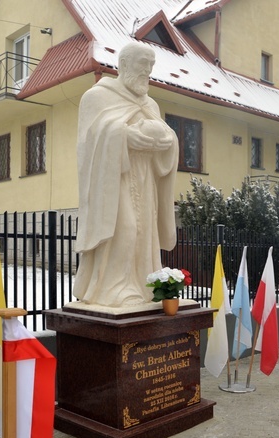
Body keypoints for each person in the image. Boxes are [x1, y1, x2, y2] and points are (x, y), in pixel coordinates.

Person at [74, 41, 179, 308]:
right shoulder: (96, 97)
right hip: (113, 178)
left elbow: (164, 136)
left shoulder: (150, 104)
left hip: (145, 179)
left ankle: (144, 286)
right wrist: (124, 137)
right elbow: (87, 144)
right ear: (123, 65)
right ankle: (113, 288)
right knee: (126, 229)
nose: (148, 71)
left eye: (151, 66)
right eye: (143, 64)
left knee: (145, 233)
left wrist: (166, 143)